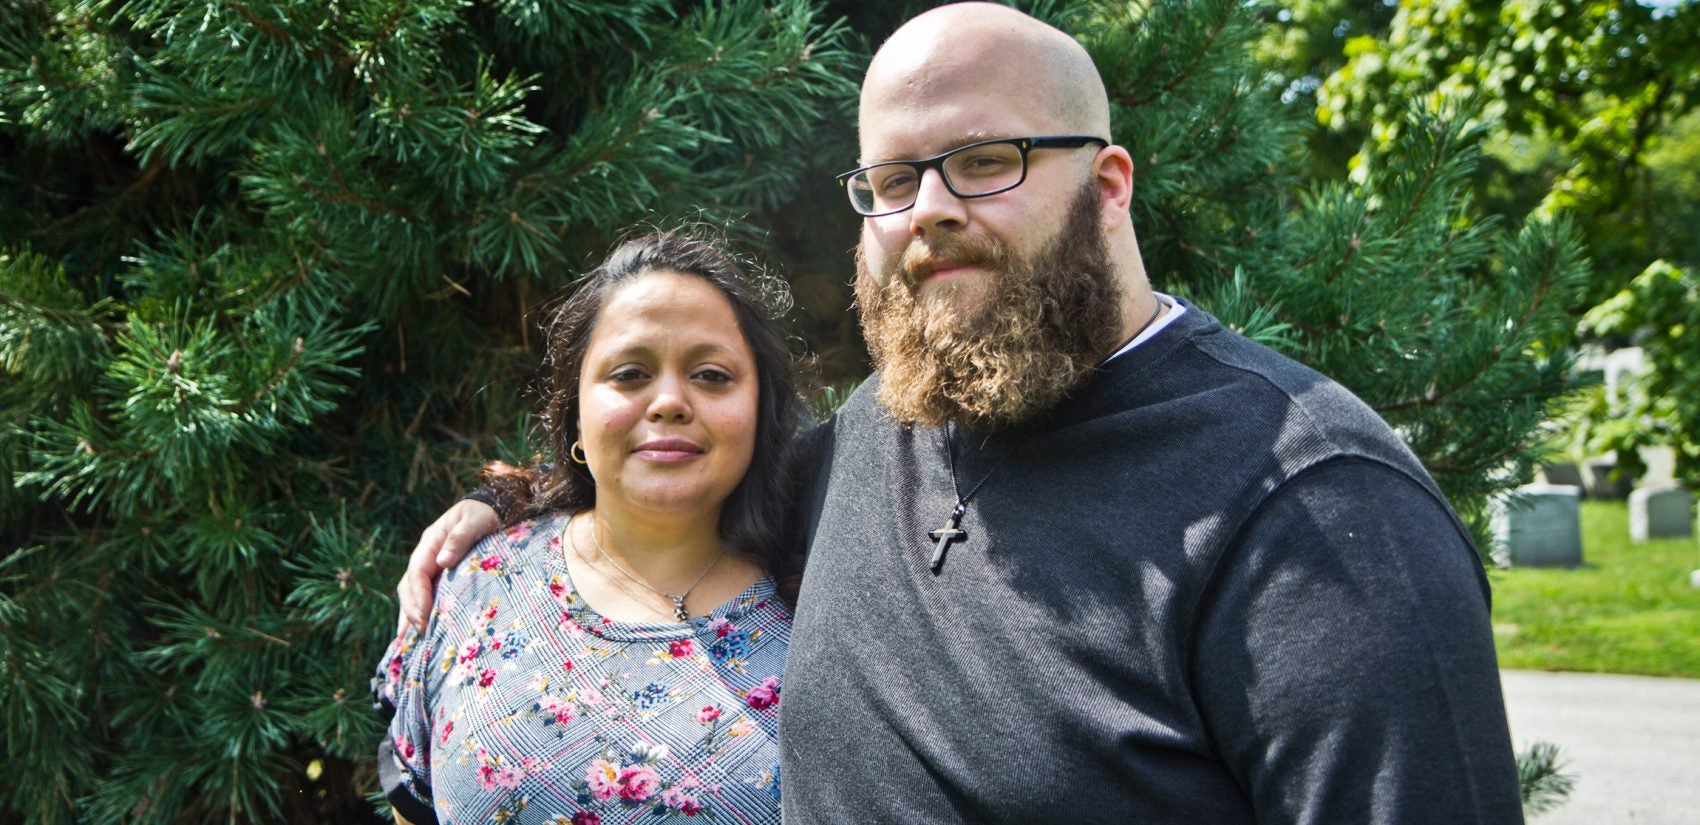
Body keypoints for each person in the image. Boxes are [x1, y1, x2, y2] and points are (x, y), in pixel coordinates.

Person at [397, 4, 1525, 822]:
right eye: (891, 182)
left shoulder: (1313, 510)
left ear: (1110, 182)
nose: (927, 211)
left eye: (984, 161)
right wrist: (506, 512)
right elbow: (668, 479)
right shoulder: (876, 438)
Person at [373, 232, 799, 824]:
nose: (670, 401)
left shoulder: (821, 608)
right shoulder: (478, 584)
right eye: (629, 373)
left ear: (762, 409)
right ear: (575, 413)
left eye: (711, 374)